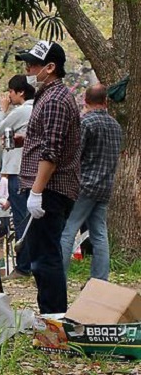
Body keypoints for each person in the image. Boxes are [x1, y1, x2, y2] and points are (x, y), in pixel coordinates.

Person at [15, 40, 80, 314]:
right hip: (46, 188)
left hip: (50, 190)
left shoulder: (54, 99)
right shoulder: (48, 95)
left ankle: (53, 322)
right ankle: (51, 319)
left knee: (45, 259)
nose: (28, 68)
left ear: (50, 67)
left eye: (33, 64)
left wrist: (37, 192)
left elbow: (52, 151)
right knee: (43, 257)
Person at [60, 84, 123, 281]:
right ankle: (100, 281)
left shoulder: (85, 123)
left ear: (85, 101)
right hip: (105, 187)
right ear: (105, 101)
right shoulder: (116, 126)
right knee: (99, 235)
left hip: (84, 186)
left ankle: (59, 278)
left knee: (68, 231)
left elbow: (74, 156)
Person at [0, 74, 35, 279]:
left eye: (10, 91)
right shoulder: (39, 108)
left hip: (19, 171)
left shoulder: (21, 111)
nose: (8, 95)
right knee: (33, 219)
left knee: (21, 218)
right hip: (35, 171)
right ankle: (34, 264)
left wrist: (2, 110)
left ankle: (23, 266)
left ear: (20, 92)